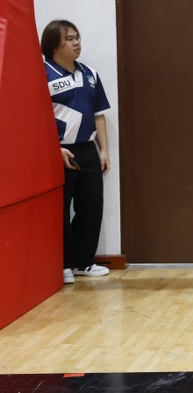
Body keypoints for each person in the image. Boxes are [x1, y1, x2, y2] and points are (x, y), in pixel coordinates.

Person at [41, 20, 111, 285]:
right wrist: (53, 148)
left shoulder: (90, 74)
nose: (76, 42)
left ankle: (84, 262)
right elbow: (36, 119)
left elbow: (99, 114)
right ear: (54, 45)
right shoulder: (41, 74)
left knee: (91, 207)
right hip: (59, 152)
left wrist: (103, 150)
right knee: (59, 211)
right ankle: (63, 264)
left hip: (88, 149)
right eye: (69, 39)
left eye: (77, 37)